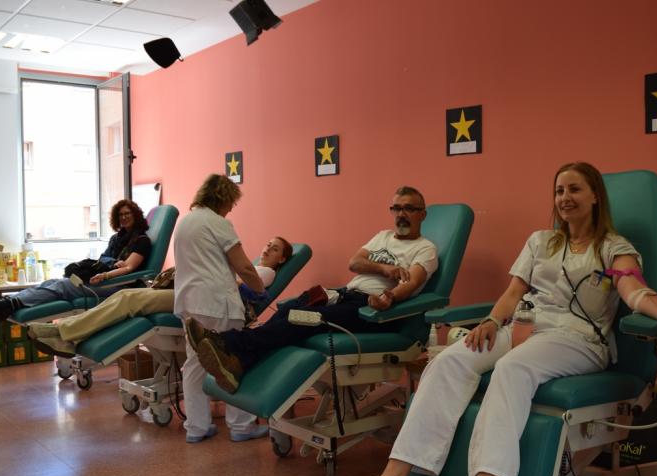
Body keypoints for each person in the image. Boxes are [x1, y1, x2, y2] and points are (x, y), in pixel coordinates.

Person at [365, 162, 657, 476]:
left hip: (579, 339)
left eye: (574, 189)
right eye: (559, 190)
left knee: (511, 368)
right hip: (527, 327)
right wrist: (492, 322)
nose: (565, 197)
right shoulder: (541, 241)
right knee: (448, 361)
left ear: (595, 196)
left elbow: (634, 290)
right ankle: (396, 474)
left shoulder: (613, 247)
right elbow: (513, 294)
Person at [187, 185, 438, 396]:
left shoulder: (425, 249)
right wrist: (385, 269)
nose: (401, 214)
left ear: (423, 215)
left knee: (303, 320)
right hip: (345, 297)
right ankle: (240, 362)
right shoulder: (383, 237)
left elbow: (413, 282)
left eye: (409, 208)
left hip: (371, 312)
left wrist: (389, 296)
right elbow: (354, 262)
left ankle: (229, 343)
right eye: (396, 208)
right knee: (290, 310)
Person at [27, 237, 293, 358]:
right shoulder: (249, 265)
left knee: (131, 300)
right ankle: (69, 332)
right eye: (269, 243)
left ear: (282, 258)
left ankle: (66, 332)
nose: (269, 247)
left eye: (276, 247)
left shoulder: (265, 272)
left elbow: (229, 284)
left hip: (202, 302)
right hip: (195, 293)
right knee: (127, 295)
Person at [174, 174, 289, 444]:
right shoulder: (218, 223)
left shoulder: (185, 221)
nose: (231, 209)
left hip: (189, 302)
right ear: (223, 199)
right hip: (215, 303)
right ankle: (241, 425)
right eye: (231, 204)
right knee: (232, 359)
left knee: (194, 365)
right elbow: (245, 266)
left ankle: (196, 427)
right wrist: (261, 291)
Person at [0, 199, 152, 322]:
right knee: (54, 281)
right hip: (104, 280)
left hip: (121, 286)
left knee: (64, 287)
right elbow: (103, 259)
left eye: (128, 213)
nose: (124, 217)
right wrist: (110, 264)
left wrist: (105, 274)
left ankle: (9, 305)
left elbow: (128, 267)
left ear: (135, 215)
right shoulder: (116, 239)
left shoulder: (141, 241)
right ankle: (8, 303)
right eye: (120, 214)